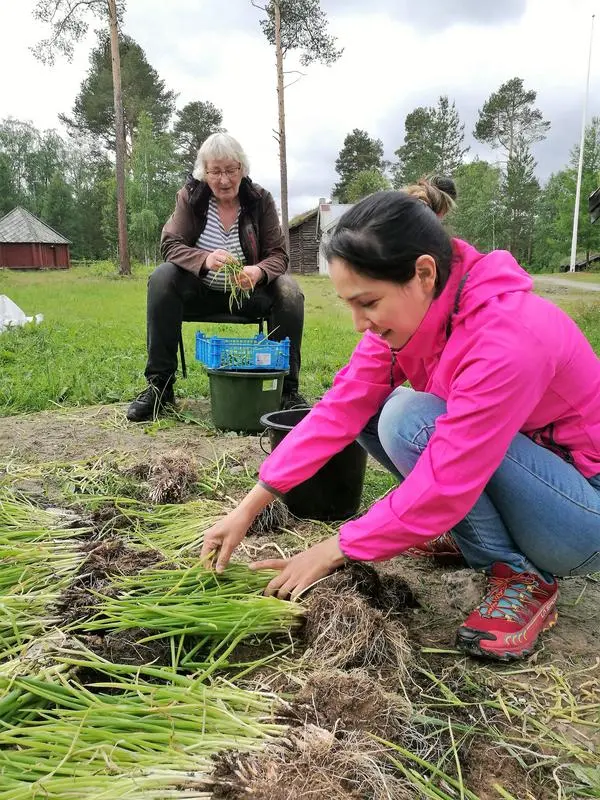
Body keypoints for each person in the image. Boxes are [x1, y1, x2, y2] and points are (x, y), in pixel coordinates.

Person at [200, 179, 600, 662]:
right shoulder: (415, 316)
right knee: (375, 413)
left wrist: (333, 549)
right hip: (529, 481)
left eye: (368, 303)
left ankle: (521, 574)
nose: (358, 323)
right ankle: (478, 539)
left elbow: (449, 477)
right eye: (350, 305)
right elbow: (338, 410)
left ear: (424, 273)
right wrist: (252, 503)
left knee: (411, 418)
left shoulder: (508, 338)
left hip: (580, 517)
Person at [127, 132, 306, 422]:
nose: (224, 180)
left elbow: (279, 255)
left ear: (242, 169)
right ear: (204, 172)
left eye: (231, 170)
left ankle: (286, 390)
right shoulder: (191, 197)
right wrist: (204, 259)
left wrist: (258, 272)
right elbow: (170, 244)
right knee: (162, 278)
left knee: (288, 291)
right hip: (200, 293)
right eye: (215, 172)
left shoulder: (260, 200)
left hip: (247, 294)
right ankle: (160, 387)